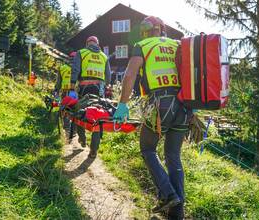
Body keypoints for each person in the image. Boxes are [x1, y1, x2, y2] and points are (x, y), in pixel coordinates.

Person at [113, 16, 191, 219]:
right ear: (162, 29)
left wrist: (122, 105)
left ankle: (168, 195)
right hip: (184, 107)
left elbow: (130, 75)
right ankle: (177, 213)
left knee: (148, 149)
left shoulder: (142, 45)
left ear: (145, 31)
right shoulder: (177, 45)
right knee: (173, 157)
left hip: (160, 104)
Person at [71, 35, 111, 158]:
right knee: (98, 116)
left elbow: (76, 69)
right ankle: (94, 150)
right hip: (100, 90)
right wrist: (106, 87)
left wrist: (72, 86)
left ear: (87, 43)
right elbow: (108, 77)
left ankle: (82, 139)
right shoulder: (104, 56)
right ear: (97, 43)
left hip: (84, 89)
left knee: (79, 112)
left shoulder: (81, 53)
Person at [54, 52, 77, 138]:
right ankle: (74, 129)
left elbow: (58, 82)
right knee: (76, 110)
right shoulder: (79, 68)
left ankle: (67, 127)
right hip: (75, 92)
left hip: (65, 91)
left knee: (64, 108)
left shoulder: (62, 68)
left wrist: (56, 89)